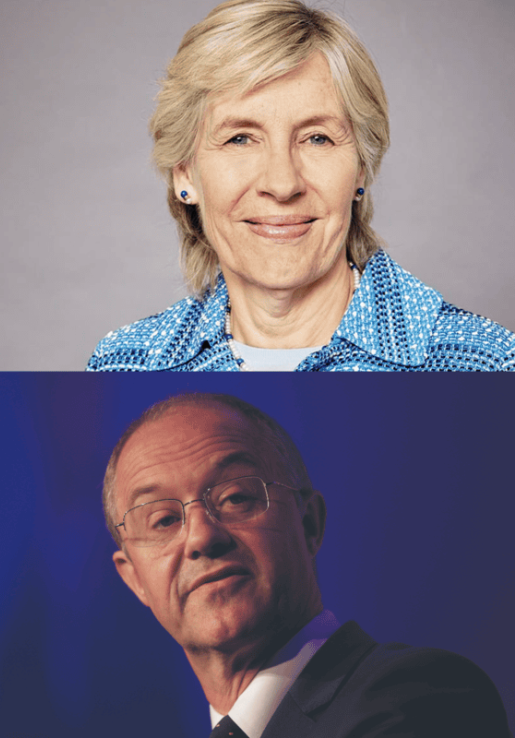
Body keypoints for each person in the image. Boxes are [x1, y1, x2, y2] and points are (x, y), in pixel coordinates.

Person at [87, 0, 514, 371]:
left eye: (317, 138)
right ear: (184, 173)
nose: (282, 182)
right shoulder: (126, 365)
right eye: (240, 138)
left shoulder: (485, 363)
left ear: (361, 168)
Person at [104, 392, 510, 737]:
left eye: (236, 497)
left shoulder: (420, 697)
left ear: (309, 523)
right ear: (134, 578)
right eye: (163, 520)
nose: (202, 537)